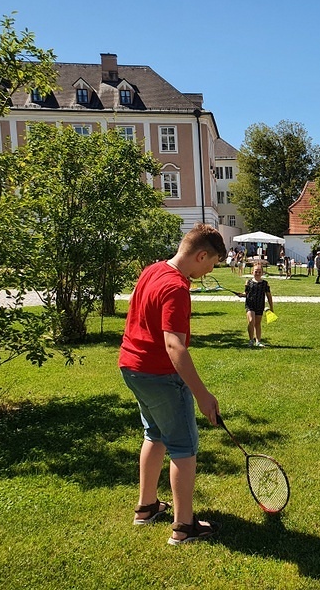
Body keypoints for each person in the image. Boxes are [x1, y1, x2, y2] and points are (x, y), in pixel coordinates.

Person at [119, 223, 225, 545]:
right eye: (211, 264)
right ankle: (183, 527)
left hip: (132, 368)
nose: (209, 272)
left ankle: (147, 507)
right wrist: (202, 395)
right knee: (183, 447)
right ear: (201, 255)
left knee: (154, 434)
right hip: (159, 376)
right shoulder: (176, 287)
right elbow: (174, 345)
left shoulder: (152, 270)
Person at [242, 263, 273, 347]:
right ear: (252, 272)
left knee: (257, 323)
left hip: (260, 305)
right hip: (250, 304)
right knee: (251, 321)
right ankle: (251, 340)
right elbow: (246, 293)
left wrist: (271, 307)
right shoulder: (248, 282)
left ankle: (258, 341)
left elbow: (269, 296)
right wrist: (241, 294)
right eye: (256, 271)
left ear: (262, 273)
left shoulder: (265, 283)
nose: (258, 273)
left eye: (259, 272)